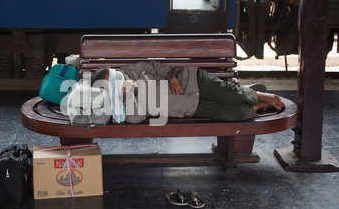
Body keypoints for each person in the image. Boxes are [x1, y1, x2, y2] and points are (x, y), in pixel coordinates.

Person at [90, 60, 284, 124]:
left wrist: (172, 78)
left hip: (192, 81)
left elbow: (155, 66)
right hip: (191, 107)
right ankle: (257, 106)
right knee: (234, 113)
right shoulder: (123, 108)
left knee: (231, 95)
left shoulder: (130, 70)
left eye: (114, 78)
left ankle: (257, 95)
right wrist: (130, 92)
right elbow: (137, 118)